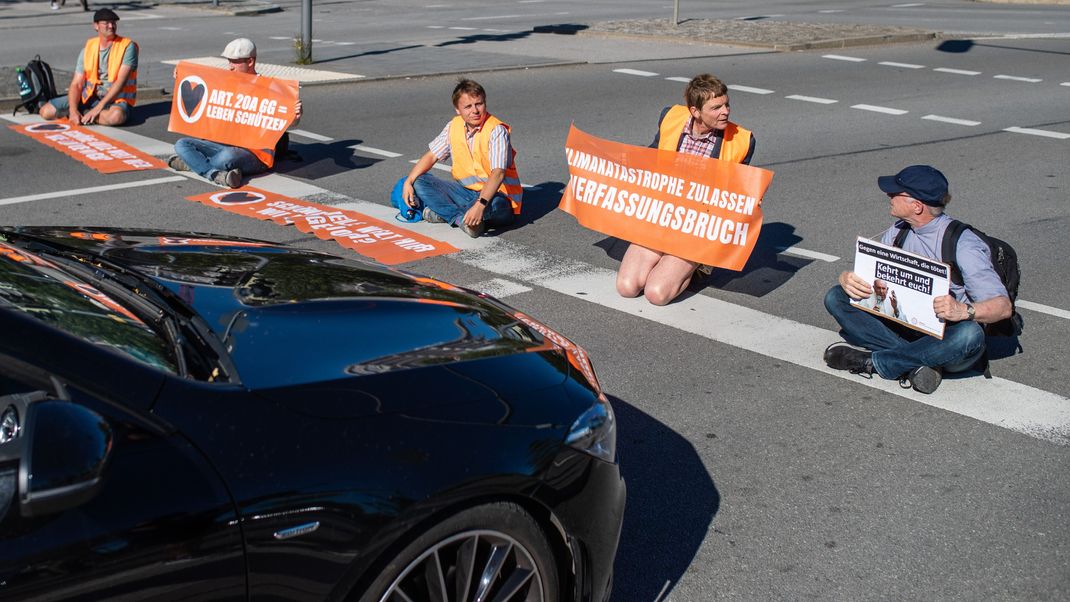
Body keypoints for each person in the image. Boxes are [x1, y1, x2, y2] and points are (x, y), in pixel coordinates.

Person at [823, 165, 1012, 394]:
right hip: (905, 323)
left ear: (917, 206)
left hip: (946, 334)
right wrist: (848, 279)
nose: (889, 196)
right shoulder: (899, 230)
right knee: (836, 296)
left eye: (896, 193)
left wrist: (963, 311)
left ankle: (876, 362)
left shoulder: (964, 245)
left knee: (969, 335)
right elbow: (874, 277)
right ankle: (916, 363)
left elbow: (1002, 307)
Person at [616, 73, 756, 305]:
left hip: (695, 227)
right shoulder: (670, 118)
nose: (726, 112)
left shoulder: (743, 140)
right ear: (695, 111)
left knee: (657, 294)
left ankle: (696, 267)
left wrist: (749, 199)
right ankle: (666, 261)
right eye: (716, 107)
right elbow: (652, 155)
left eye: (726, 104)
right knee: (627, 287)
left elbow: (739, 190)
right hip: (660, 218)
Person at [167, 38, 302, 188]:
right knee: (182, 144)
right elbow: (203, 99)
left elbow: (284, 121)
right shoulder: (227, 83)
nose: (230, 66)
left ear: (250, 62)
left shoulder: (269, 88)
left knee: (227, 157)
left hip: (255, 154)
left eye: (235, 62)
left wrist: (295, 117)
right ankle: (213, 172)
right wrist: (181, 76)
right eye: (229, 61)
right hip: (223, 144)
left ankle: (195, 164)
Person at [402, 79, 521, 238]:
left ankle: (448, 213)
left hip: (496, 198)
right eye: (468, 106)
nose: (475, 111)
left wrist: (480, 205)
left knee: (496, 205)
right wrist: (408, 181)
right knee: (420, 182)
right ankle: (461, 219)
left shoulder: (496, 130)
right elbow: (431, 156)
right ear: (458, 110)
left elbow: (498, 173)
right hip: (467, 194)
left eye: (479, 104)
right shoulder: (454, 126)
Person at [40, 9, 137, 126]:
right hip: (90, 96)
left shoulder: (127, 46)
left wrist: (98, 108)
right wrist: (73, 110)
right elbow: (77, 84)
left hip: (115, 100)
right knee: (46, 112)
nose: (111, 26)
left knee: (116, 117)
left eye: (113, 23)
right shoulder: (88, 49)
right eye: (106, 23)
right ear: (96, 26)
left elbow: (120, 82)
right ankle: (83, 114)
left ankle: (88, 114)